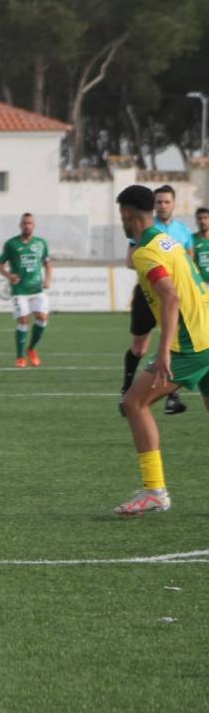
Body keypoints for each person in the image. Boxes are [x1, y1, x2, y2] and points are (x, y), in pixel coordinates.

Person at [113, 185, 209, 515]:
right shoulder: (168, 241)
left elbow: (170, 296)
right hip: (207, 330)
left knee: (133, 402)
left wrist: (165, 350)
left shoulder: (145, 251)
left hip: (190, 345)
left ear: (126, 213)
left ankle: (154, 490)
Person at [120, 185, 192, 416]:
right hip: (147, 293)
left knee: (135, 404)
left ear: (173, 204)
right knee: (140, 346)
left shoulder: (180, 231)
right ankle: (127, 384)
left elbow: (186, 267)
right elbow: (132, 260)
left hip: (171, 295)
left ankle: (170, 396)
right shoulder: (144, 232)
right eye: (158, 201)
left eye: (166, 202)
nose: (162, 205)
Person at [0, 213, 52, 368]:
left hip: (37, 288)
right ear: (20, 225)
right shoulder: (12, 244)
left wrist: (48, 279)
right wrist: (8, 275)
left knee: (42, 318)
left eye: (30, 223)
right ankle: (20, 357)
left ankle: (31, 349)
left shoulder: (41, 243)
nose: (27, 226)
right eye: (25, 223)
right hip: (19, 290)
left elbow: (47, 263)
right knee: (23, 320)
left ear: (34, 225)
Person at [189, 207, 209, 280]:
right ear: (196, 221)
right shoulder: (191, 239)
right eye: (199, 218)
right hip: (200, 284)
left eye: (205, 218)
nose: (202, 221)